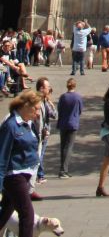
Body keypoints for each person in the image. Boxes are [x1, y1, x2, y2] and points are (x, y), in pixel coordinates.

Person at [0, 89, 43, 237]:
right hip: (14, 175)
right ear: (25, 105)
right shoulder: (11, 125)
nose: (38, 113)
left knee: (5, 211)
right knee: (27, 214)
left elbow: (33, 148)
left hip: (26, 173)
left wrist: (40, 171)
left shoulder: (28, 123)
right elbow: (2, 156)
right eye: (36, 109)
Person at [56, 77, 83, 178]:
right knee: (69, 147)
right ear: (75, 86)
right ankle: (64, 170)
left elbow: (59, 109)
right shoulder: (78, 97)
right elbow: (80, 110)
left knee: (63, 146)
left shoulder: (63, 96)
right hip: (73, 123)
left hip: (63, 123)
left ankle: (62, 169)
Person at [33, 78, 55, 184]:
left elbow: (54, 115)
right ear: (42, 88)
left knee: (40, 153)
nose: (49, 89)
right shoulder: (38, 102)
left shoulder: (44, 101)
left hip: (43, 132)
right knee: (39, 154)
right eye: (48, 87)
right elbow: (38, 120)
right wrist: (41, 133)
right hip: (40, 133)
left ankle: (38, 175)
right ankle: (39, 175)